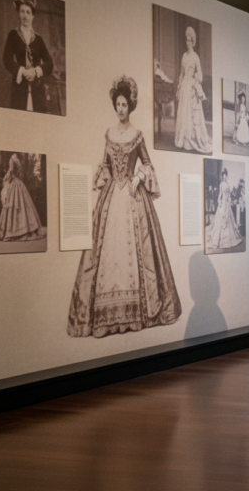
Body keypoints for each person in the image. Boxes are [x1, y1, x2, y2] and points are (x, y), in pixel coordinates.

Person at [68, 76, 181, 338]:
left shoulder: (138, 135)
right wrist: (104, 177)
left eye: (124, 104)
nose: (120, 109)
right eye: (117, 104)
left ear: (130, 106)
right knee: (106, 252)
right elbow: (105, 164)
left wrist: (139, 177)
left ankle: (140, 311)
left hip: (132, 196)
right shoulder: (108, 134)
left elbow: (148, 164)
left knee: (140, 250)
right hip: (111, 197)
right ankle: (105, 314)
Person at [2, 0, 53, 113]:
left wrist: (36, 71)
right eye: (22, 11)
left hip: (38, 89)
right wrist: (21, 71)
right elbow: (6, 58)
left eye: (28, 12)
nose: (25, 15)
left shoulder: (38, 39)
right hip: (19, 88)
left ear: (33, 16)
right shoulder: (13, 35)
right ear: (19, 14)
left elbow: (49, 63)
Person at [174, 26, 212, 153]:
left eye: (190, 40)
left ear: (193, 42)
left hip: (191, 85)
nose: (188, 43)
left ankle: (191, 139)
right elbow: (181, 73)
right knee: (183, 112)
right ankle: (182, 139)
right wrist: (179, 88)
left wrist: (196, 80)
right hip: (184, 85)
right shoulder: (184, 56)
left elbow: (200, 73)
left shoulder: (196, 57)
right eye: (186, 40)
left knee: (191, 113)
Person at [0, 154, 44, 242]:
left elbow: (11, 170)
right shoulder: (18, 159)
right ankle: (24, 230)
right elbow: (20, 173)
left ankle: (12, 231)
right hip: (19, 183)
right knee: (21, 206)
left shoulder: (12, 158)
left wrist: (5, 178)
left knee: (12, 206)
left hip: (14, 183)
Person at [207, 168, 243, 249]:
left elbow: (229, 195)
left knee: (229, 220)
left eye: (225, 176)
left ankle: (230, 238)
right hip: (222, 203)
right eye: (223, 176)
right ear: (222, 177)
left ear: (226, 176)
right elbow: (220, 194)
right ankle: (218, 240)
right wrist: (219, 201)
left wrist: (229, 201)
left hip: (227, 203)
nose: (224, 177)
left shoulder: (228, 185)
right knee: (220, 219)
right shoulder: (222, 184)